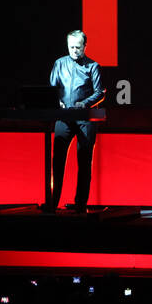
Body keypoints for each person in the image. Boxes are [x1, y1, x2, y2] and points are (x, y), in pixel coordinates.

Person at [45, 29, 104, 212]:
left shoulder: (93, 66)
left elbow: (99, 93)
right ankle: (53, 203)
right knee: (58, 161)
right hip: (63, 118)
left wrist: (83, 104)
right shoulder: (59, 63)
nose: (74, 51)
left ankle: (80, 204)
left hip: (85, 119)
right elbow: (52, 88)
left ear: (85, 46)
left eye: (78, 47)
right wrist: (59, 102)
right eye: (71, 47)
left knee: (84, 162)